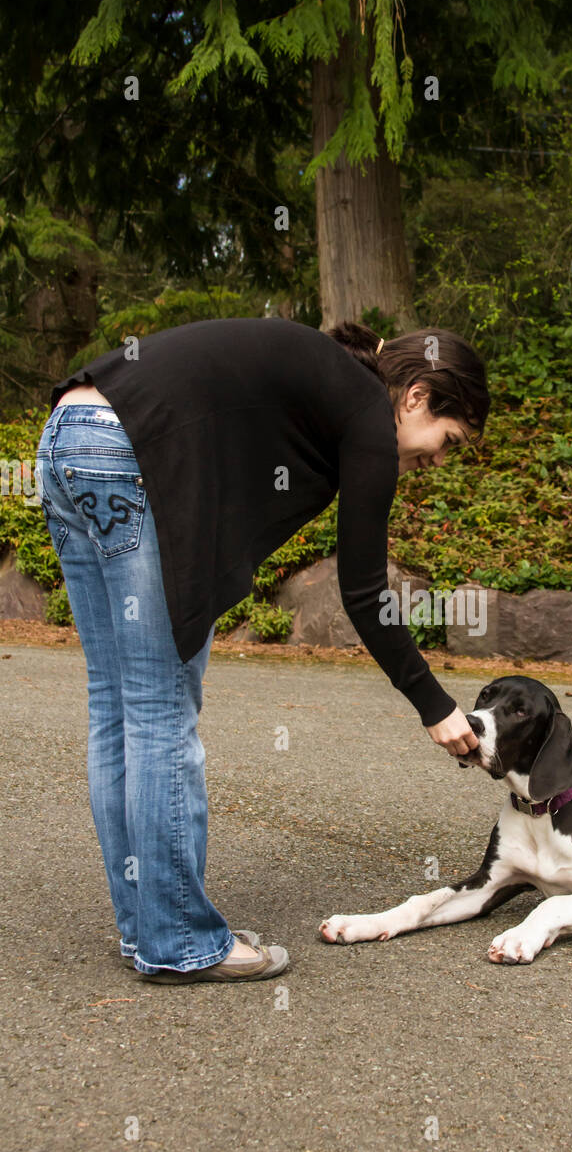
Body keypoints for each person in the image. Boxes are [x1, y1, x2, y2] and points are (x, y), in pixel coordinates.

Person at [37, 317, 486, 983]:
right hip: (127, 453)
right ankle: (180, 942)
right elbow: (364, 591)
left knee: (118, 705)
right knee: (159, 710)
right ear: (417, 395)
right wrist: (436, 706)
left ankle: (150, 930)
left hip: (68, 438)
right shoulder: (368, 410)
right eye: (447, 441)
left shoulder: (328, 386)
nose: (437, 461)